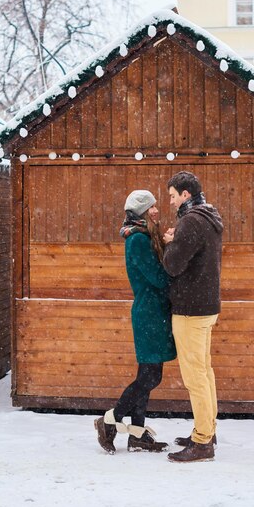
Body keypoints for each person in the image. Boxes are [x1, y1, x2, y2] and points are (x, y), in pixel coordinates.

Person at [94, 190, 176, 454]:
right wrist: (172, 252)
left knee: (147, 376)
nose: (156, 211)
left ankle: (137, 434)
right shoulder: (138, 240)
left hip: (154, 312)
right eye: (151, 208)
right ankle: (109, 420)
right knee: (151, 376)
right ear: (141, 211)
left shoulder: (144, 236)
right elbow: (158, 278)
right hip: (149, 312)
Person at [162, 171, 223, 463]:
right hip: (206, 306)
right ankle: (207, 429)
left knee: (195, 376)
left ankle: (202, 443)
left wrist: (170, 242)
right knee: (205, 372)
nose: (171, 202)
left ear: (186, 194)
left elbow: (173, 266)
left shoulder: (191, 221)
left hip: (190, 309)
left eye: (173, 196)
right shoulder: (209, 216)